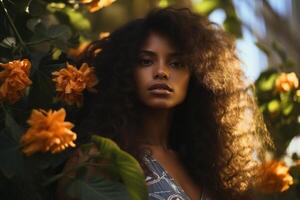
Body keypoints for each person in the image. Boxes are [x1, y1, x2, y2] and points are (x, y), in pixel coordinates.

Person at [57, 7, 273, 200]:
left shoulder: (211, 168)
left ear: (197, 77)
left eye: (176, 63)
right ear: (124, 70)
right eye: (146, 61)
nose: (161, 72)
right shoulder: (98, 159)